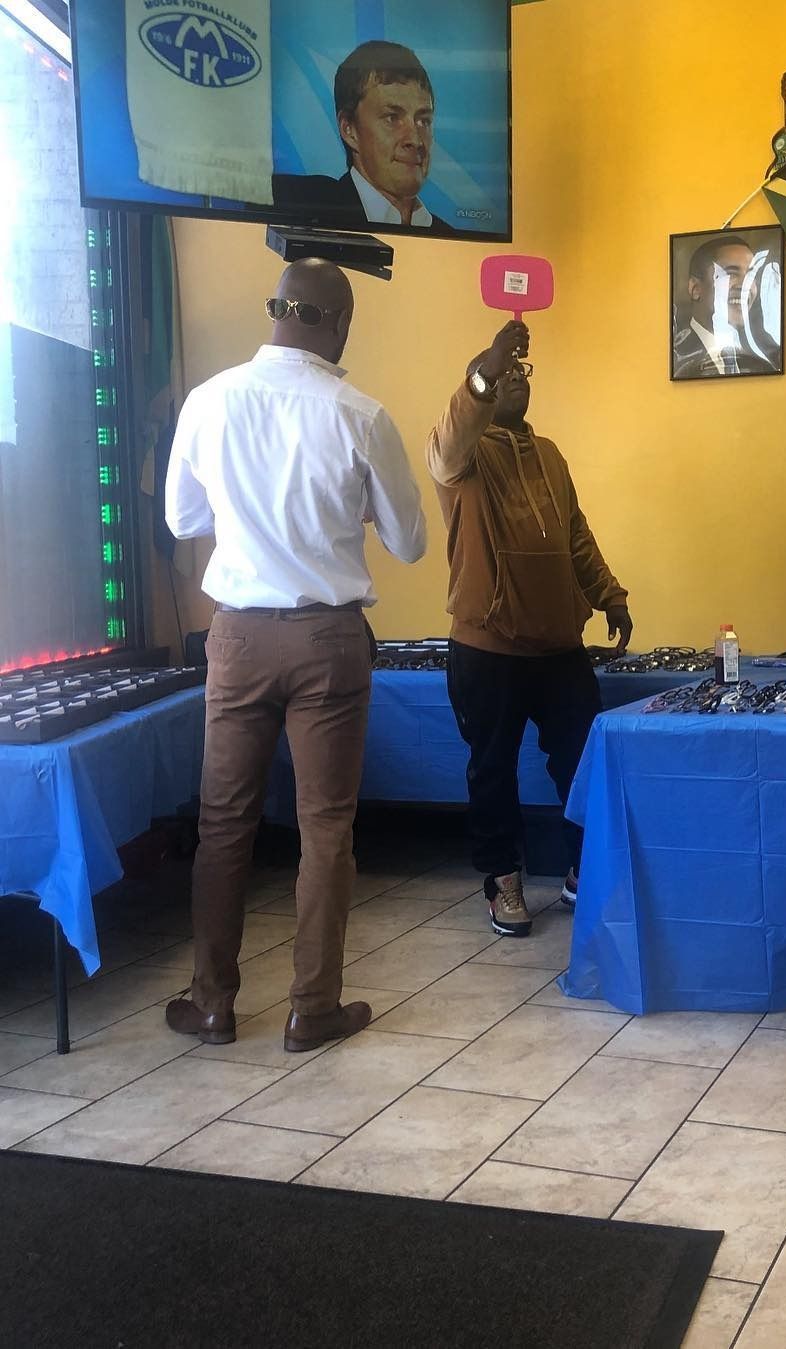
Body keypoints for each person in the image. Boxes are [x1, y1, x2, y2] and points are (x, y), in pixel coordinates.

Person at [163, 258, 426, 1051]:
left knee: (223, 824)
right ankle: (313, 1008)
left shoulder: (208, 400)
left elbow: (182, 520)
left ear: (275, 308)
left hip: (238, 637)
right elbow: (410, 542)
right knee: (326, 828)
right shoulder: (361, 415)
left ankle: (212, 1002)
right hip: (327, 641)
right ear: (340, 324)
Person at [426, 320, 632, 937]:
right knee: (492, 768)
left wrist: (609, 595)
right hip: (487, 646)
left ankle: (581, 869)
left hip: (558, 645)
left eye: (521, 372)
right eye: (503, 374)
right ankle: (502, 880)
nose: (516, 380)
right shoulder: (460, 456)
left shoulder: (549, 455)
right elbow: (453, 435)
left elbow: (576, 535)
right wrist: (485, 367)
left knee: (582, 759)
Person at [272, 40, 452, 231]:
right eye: (392, 118)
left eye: (424, 121)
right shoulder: (297, 203)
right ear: (348, 129)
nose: (415, 140)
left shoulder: (449, 236)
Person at [672, 234, 781, 379]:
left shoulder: (765, 361)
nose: (745, 285)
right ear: (695, 288)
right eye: (731, 273)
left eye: (751, 275)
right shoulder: (676, 356)